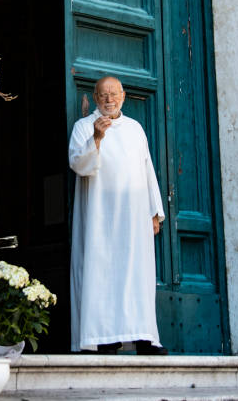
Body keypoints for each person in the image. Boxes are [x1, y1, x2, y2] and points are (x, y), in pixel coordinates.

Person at [69, 76, 167, 355]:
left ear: (123, 97)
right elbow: (78, 164)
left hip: (134, 218)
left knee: (137, 275)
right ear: (95, 98)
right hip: (101, 218)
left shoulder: (135, 129)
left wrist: (154, 212)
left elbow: (147, 170)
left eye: (113, 94)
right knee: (103, 275)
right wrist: (96, 138)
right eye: (102, 95)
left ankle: (145, 339)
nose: (108, 100)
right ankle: (104, 339)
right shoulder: (84, 127)